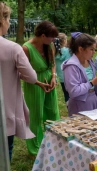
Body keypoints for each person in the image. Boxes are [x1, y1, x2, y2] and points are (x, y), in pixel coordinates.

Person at [0, 2, 37, 162]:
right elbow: (32, 77)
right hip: (4, 113)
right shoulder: (13, 48)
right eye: (9, 19)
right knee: (5, 154)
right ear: (3, 19)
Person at [22, 20, 60, 156]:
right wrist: (38, 83)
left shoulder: (49, 46)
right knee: (36, 116)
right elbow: (22, 73)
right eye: (52, 37)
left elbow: (53, 63)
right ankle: (36, 148)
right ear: (43, 36)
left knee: (53, 112)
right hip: (34, 84)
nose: (54, 39)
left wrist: (54, 77)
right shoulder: (26, 48)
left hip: (50, 81)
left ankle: (55, 142)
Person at [62, 32, 97, 116]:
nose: (94, 52)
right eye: (91, 49)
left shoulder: (90, 61)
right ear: (81, 49)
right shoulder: (71, 66)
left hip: (93, 100)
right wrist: (92, 83)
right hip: (80, 104)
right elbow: (74, 91)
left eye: (94, 49)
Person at [54, 33, 71, 103]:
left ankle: (69, 107)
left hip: (61, 78)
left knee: (66, 94)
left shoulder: (54, 52)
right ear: (64, 41)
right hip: (70, 76)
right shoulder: (68, 51)